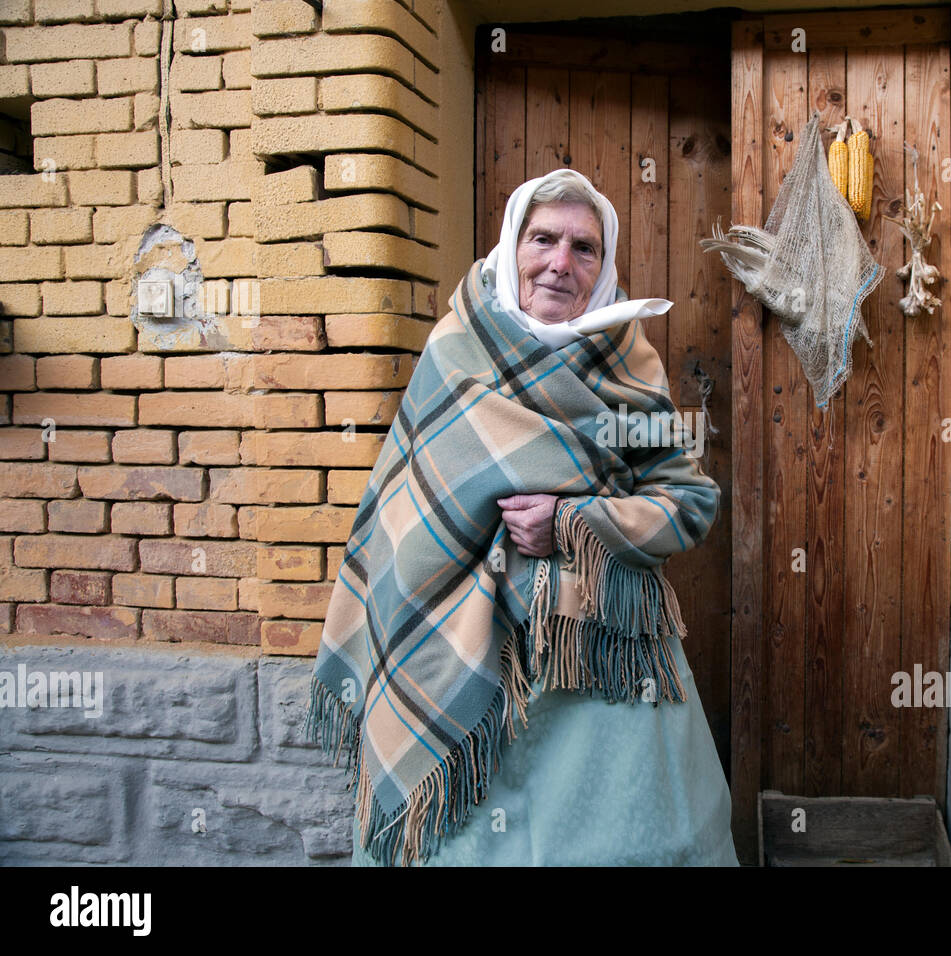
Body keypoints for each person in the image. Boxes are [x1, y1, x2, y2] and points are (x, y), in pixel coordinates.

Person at [308, 167, 739, 867]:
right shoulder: (456, 348)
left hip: (598, 653)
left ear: (604, 265)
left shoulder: (633, 360)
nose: (561, 263)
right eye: (544, 239)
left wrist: (576, 522)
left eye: (584, 247)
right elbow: (405, 507)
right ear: (513, 244)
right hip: (459, 655)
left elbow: (688, 503)